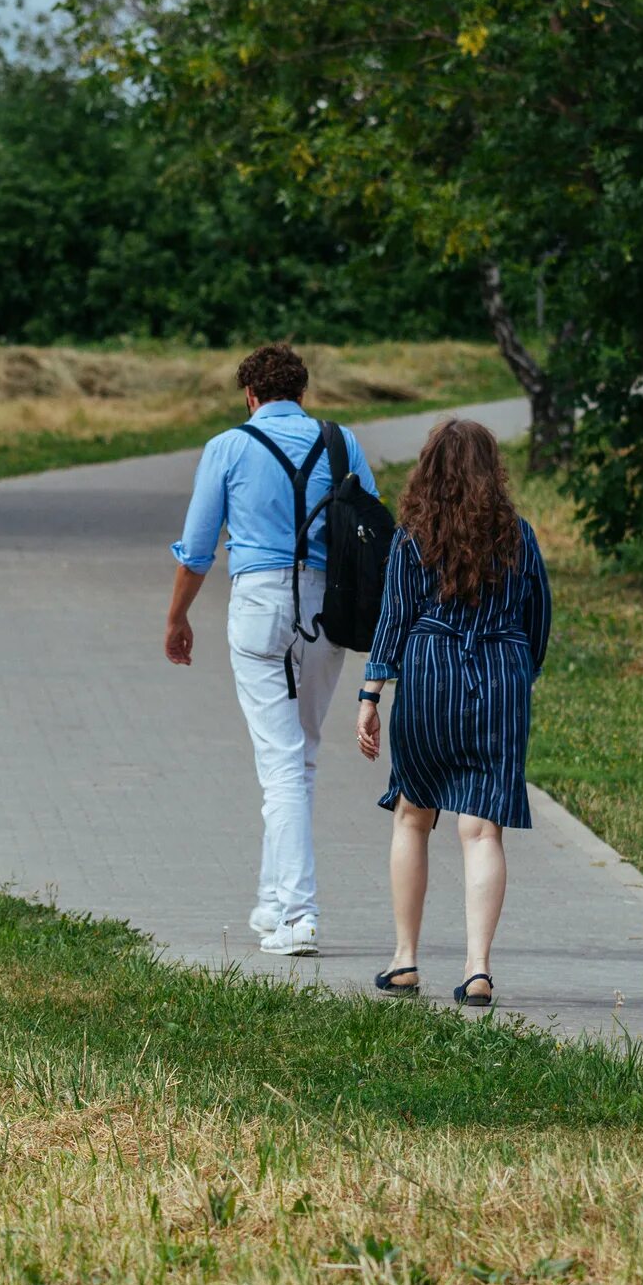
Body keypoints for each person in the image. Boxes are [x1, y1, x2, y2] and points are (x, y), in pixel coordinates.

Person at [163, 342, 383, 957]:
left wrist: (177, 618)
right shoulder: (341, 444)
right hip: (326, 606)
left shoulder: (229, 447)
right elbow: (372, 531)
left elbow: (197, 550)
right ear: (302, 394)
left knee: (281, 760)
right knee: (299, 756)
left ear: (250, 396)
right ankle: (271, 898)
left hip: (258, 605)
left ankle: (299, 914)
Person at [354, 419, 550, 1008]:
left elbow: (392, 619)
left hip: (428, 676)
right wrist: (517, 674)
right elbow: (537, 620)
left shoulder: (413, 537)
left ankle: (405, 960)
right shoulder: (518, 535)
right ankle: (478, 969)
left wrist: (369, 696)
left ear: (429, 468)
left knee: (414, 816)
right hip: (499, 677)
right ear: (493, 472)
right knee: (481, 827)